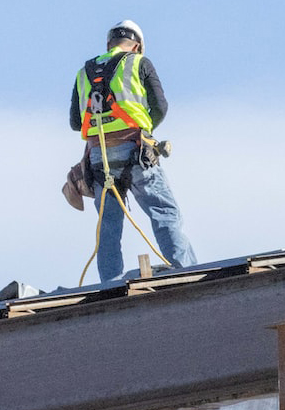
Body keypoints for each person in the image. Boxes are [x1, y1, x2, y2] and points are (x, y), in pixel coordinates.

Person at [69, 20, 197, 281]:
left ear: (108, 45)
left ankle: (110, 283)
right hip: (136, 150)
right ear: (137, 46)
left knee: (108, 224)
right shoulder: (139, 63)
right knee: (164, 211)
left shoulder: (84, 72)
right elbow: (160, 106)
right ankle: (185, 271)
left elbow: (74, 121)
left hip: (99, 156)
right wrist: (146, 129)